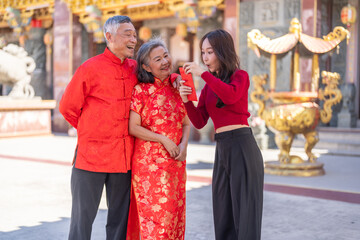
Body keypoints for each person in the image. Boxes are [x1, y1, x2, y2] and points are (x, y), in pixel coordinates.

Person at [179, 29, 264, 240]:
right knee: (223, 211)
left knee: (245, 213)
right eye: (203, 53)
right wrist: (187, 101)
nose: (205, 57)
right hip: (222, 148)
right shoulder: (208, 87)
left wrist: (203, 74)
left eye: (210, 52)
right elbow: (199, 121)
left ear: (222, 51)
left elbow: (231, 95)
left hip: (242, 147)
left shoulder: (240, 76)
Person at [59, 15, 138, 240]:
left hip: (124, 160)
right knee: (81, 223)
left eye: (134, 34)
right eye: (127, 34)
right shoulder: (90, 68)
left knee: (119, 224)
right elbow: (67, 107)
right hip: (90, 159)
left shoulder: (136, 69)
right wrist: (91, 131)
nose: (133, 39)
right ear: (109, 37)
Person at [126, 38, 190, 240]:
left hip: (177, 164)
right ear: (146, 66)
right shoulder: (140, 91)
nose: (165, 61)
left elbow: (187, 122)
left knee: (175, 217)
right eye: (157, 59)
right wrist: (163, 139)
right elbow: (133, 127)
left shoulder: (178, 88)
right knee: (154, 222)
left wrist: (184, 146)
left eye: (165, 56)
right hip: (149, 168)